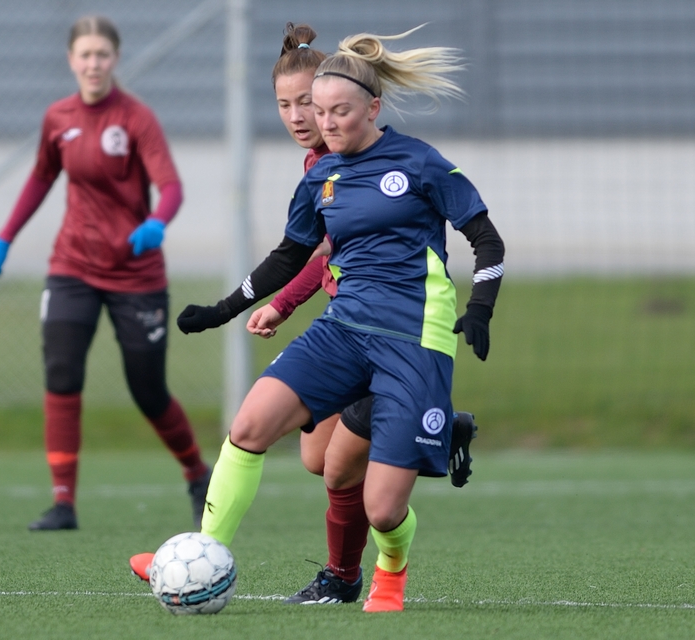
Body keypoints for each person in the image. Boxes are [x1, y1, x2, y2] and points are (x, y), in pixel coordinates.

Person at [166, 26, 505, 612]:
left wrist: (480, 309)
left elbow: (487, 240)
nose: (322, 123)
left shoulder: (419, 162)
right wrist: (225, 309)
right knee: (256, 429)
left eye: (335, 111)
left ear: (373, 108)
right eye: (313, 111)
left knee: (382, 509)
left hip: (412, 339)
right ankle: (203, 554)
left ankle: (389, 571)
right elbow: (290, 255)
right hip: (343, 329)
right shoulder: (318, 177)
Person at [0, 15, 211, 532]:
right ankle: (63, 503)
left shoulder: (136, 118)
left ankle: (198, 475)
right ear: (71, 60)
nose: (93, 63)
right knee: (62, 374)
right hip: (72, 266)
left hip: (136, 274)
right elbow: (42, 176)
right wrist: (5, 237)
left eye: (101, 54)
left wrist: (157, 222)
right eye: (84, 54)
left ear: (115, 58)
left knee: (148, 390)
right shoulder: (58, 117)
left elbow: (171, 187)